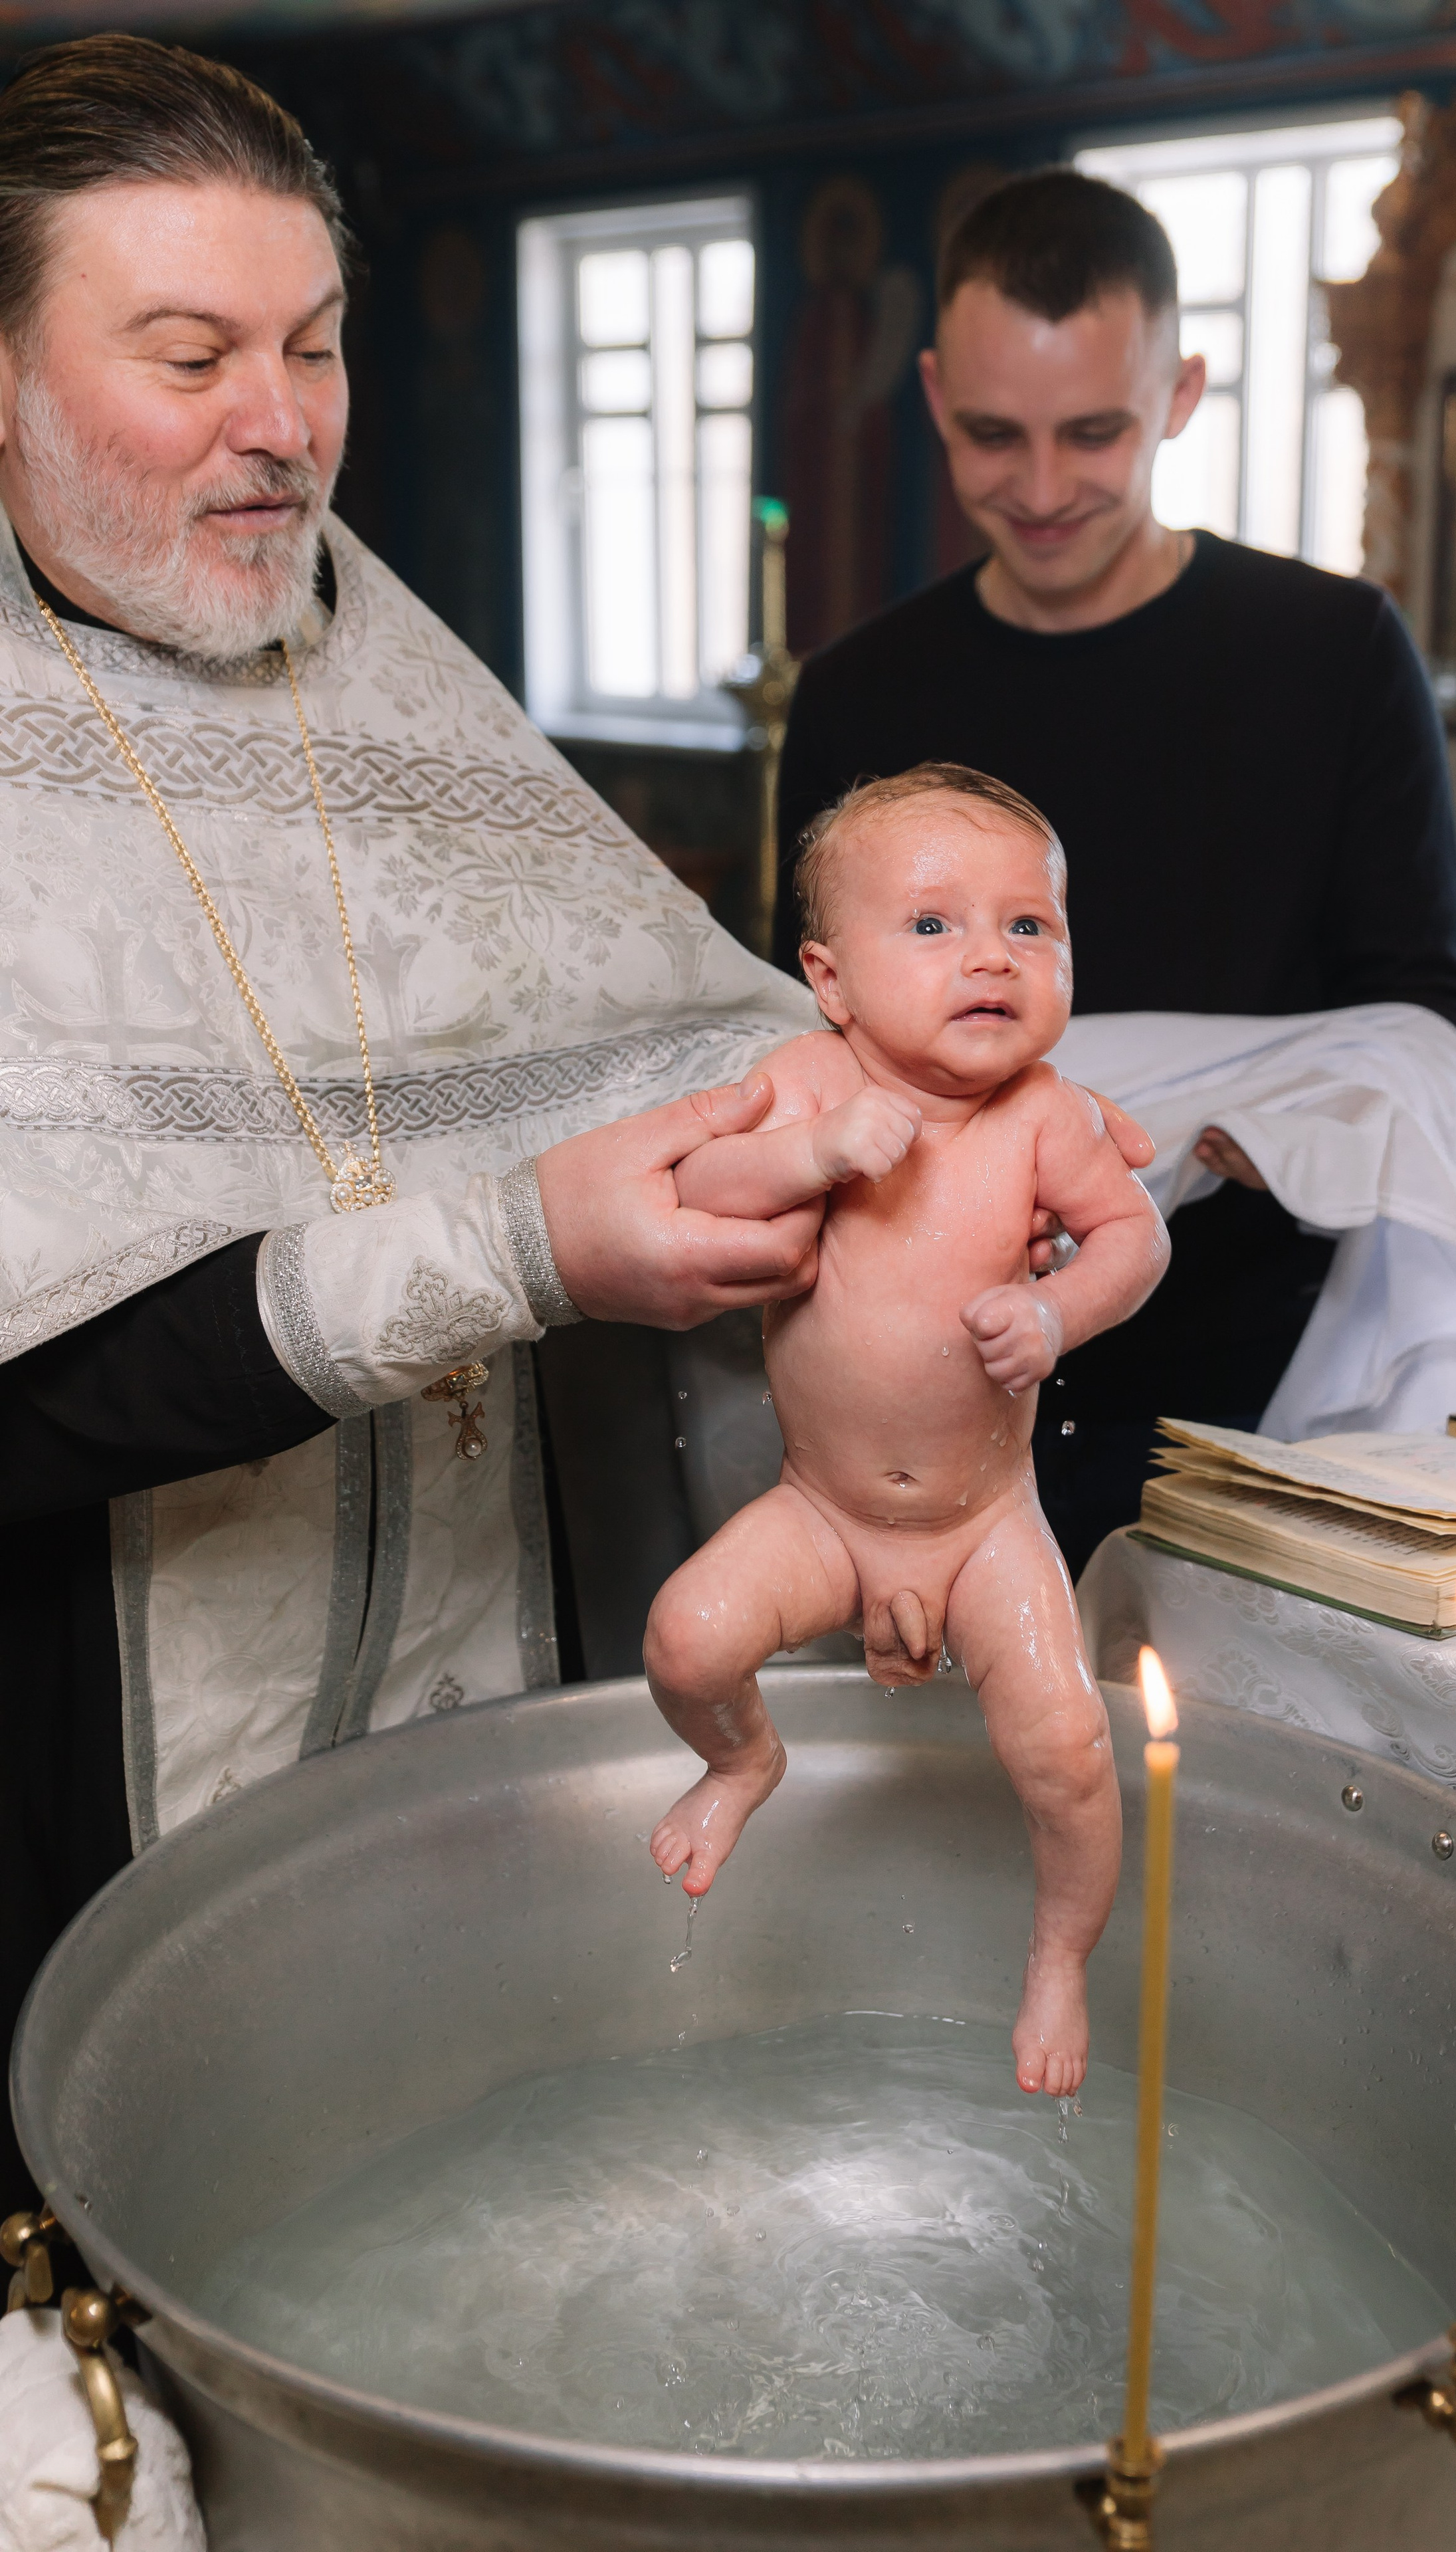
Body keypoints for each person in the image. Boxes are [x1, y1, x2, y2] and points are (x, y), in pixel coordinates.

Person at [0, 35, 835, 2220]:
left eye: (314, 344)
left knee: (462, 2188)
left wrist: (906, 1140)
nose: (280, 422)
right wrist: (514, 1248)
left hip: (480, 1653)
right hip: (80, 1754)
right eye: (186, 354)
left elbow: (665, 1046)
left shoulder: (390, 672)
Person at [776, 167, 1456, 1578]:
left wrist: (1259, 1144)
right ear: (930, 397)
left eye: (1091, 432)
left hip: (1244, 1347)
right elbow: (807, 1020)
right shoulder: (859, 692)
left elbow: (1419, 1021)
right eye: (992, 436)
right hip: (928, 1350)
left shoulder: (1334, 653)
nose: (1039, 492)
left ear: (1179, 391)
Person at [644, 766, 1170, 2098]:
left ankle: (1056, 1958)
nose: (988, 953)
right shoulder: (803, 1078)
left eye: (1027, 926)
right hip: (819, 1508)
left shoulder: (1047, 1116)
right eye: (930, 926)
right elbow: (702, 1180)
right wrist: (812, 1153)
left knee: (1062, 1742)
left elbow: (1134, 1236)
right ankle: (743, 1757)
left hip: (982, 1523)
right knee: (686, 1639)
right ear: (830, 980)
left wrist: (1054, 1318)